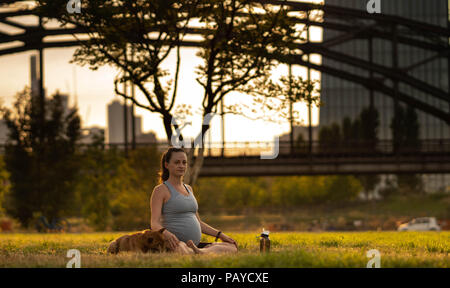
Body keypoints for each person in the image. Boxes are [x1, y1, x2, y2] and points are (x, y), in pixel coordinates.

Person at [150, 147, 238, 253]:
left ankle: (199, 251)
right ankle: (200, 252)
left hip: (193, 244)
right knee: (181, 249)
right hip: (176, 244)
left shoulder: (189, 188)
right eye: (177, 162)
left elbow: (199, 223)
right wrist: (167, 234)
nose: (181, 166)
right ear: (166, 165)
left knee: (232, 247)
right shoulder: (160, 190)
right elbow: (154, 223)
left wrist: (220, 234)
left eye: (184, 162)